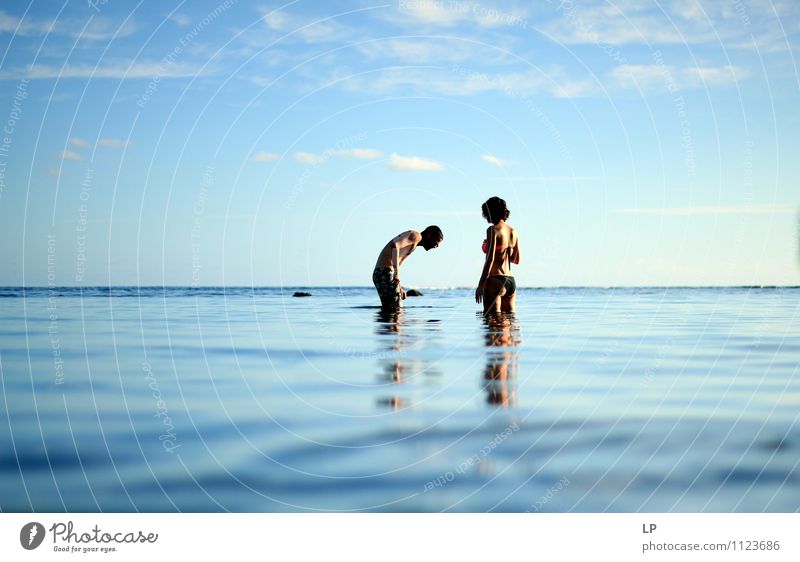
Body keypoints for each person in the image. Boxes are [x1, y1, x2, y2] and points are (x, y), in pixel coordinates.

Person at [373, 226, 443, 308]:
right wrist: (396, 273)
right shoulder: (416, 236)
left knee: (390, 308)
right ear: (429, 234)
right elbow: (395, 245)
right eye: (437, 241)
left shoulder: (413, 245)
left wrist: (399, 287)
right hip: (385, 272)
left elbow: (397, 264)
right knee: (397, 309)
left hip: (381, 273)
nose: (436, 246)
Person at [476, 197, 520, 314]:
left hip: (495, 281)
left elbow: (490, 260)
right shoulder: (513, 231)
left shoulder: (493, 230)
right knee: (507, 325)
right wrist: (503, 250)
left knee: (491, 322)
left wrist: (481, 284)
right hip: (511, 282)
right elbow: (516, 259)